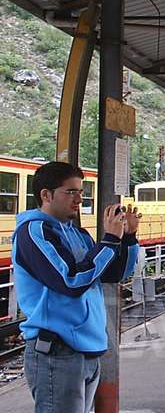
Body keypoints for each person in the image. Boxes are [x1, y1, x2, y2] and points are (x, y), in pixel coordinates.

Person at [11, 161, 141, 413]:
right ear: (46, 195)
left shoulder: (78, 234)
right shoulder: (34, 232)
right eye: (70, 192)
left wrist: (127, 238)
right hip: (56, 351)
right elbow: (70, 281)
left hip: (87, 348)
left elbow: (112, 273)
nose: (79, 199)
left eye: (81, 192)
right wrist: (110, 240)